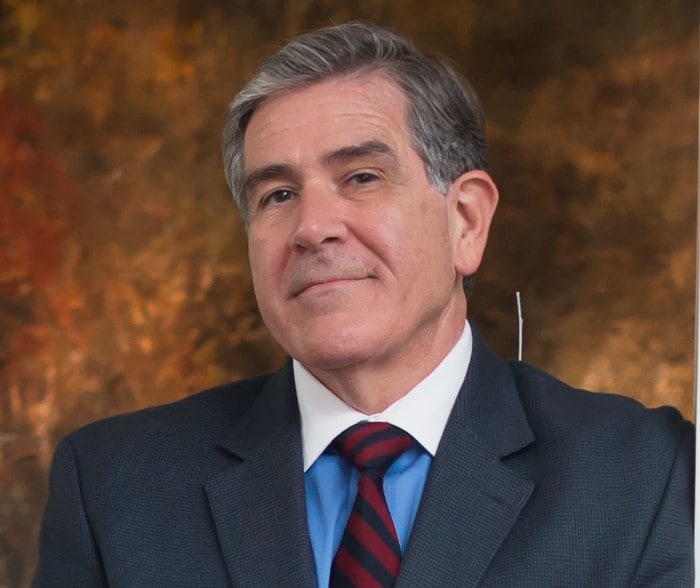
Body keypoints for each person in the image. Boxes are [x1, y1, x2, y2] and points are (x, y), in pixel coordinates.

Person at [34, 22, 693, 587]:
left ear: (466, 221)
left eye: (361, 177)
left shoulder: (648, 474)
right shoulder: (115, 488)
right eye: (278, 194)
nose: (312, 227)